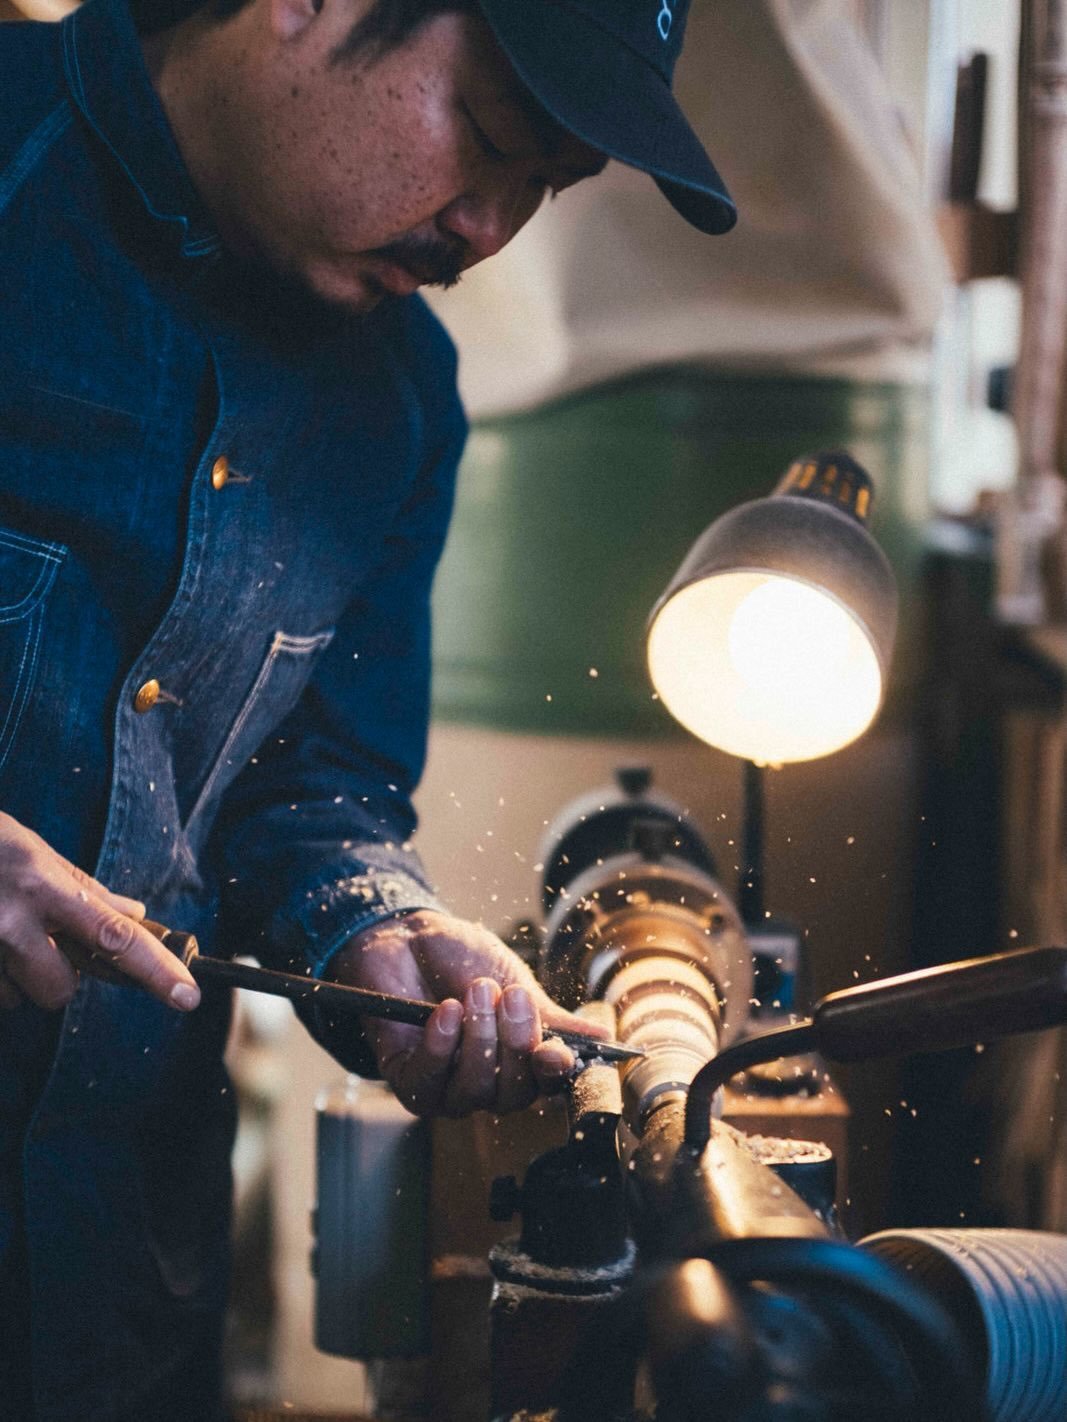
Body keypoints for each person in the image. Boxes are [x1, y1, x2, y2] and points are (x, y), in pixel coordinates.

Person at [0, 0, 736, 1416]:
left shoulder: (399, 403)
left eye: (548, 188)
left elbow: (309, 787)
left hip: (113, 1297)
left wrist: (378, 927)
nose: (488, 231)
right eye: (492, 136)